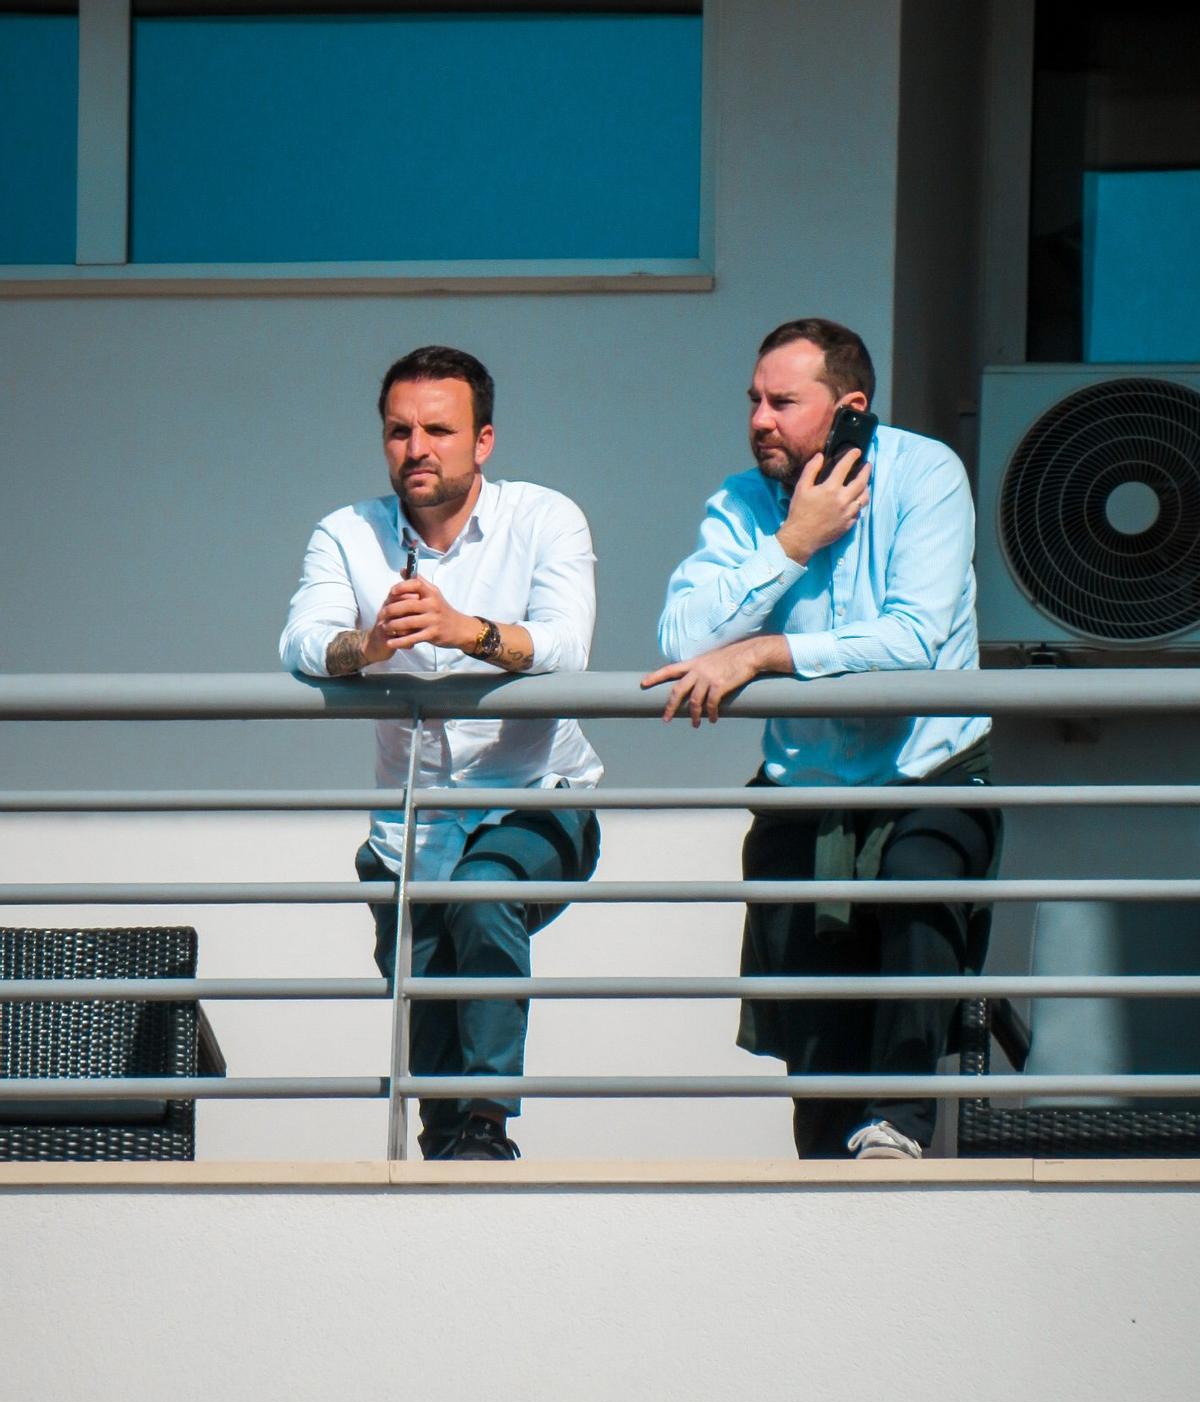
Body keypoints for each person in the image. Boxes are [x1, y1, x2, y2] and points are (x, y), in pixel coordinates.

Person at [642, 318, 999, 1161]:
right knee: (814, 1020)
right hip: (803, 785)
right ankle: (824, 1174)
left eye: (782, 402)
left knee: (916, 906)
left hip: (927, 773)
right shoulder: (741, 502)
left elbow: (914, 641)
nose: (760, 419)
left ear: (850, 409)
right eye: (753, 401)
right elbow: (682, 637)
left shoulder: (925, 475)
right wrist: (793, 542)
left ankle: (899, 1128)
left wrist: (770, 651)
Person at [281, 346, 601, 1161]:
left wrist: (468, 632)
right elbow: (301, 643)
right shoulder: (347, 532)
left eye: (438, 429)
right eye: (398, 430)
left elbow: (570, 649)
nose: (416, 447)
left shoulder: (545, 517)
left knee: (484, 892)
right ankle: (445, 1146)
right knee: (420, 996)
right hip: (412, 824)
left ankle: (489, 1126)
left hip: (536, 794)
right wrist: (370, 643)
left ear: (483, 441)